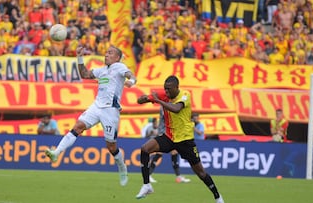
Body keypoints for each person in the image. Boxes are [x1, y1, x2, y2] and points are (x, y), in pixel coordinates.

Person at [45, 45, 137, 186]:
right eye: (106, 52)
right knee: (78, 126)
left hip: (110, 110)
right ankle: (56, 153)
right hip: (96, 106)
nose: (106, 54)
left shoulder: (119, 67)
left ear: (117, 58)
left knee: (111, 147)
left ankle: (122, 167)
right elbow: (85, 74)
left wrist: (131, 81)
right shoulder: (102, 70)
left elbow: (130, 74)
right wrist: (80, 57)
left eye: (110, 53)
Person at [135, 75, 224, 203]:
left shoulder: (185, 95)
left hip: (185, 140)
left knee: (201, 173)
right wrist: (145, 99)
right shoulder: (164, 94)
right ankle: (147, 185)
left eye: (169, 89)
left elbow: (176, 109)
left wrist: (158, 101)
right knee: (145, 149)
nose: (166, 92)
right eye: (165, 89)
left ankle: (217, 196)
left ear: (177, 87)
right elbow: (140, 100)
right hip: (169, 137)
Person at [148, 106, 191, 184]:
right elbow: (168, 116)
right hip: (163, 133)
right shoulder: (163, 107)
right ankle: (148, 175)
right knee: (159, 153)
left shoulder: (170, 105)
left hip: (171, 133)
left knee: (174, 152)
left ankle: (178, 176)